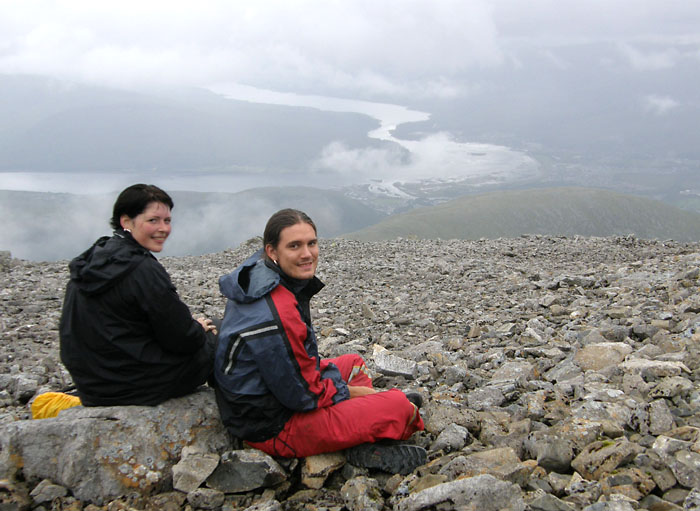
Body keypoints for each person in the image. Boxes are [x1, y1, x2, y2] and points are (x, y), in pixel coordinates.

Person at [214, 208, 426, 474]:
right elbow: (302, 395)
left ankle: (358, 427)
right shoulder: (276, 309)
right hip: (273, 426)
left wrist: (343, 388)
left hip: (270, 399)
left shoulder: (263, 278)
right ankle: (367, 437)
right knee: (399, 407)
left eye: (311, 243)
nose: (307, 254)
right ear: (272, 251)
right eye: (294, 246)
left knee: (354, 363)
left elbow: (296, 373)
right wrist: (356, 392)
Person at [59, 183, 218, 407]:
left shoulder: (93, 260)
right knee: (220, 332)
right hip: (134, 386)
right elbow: (183, 339)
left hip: (92, 386)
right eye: (153, 220)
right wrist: (199, 330)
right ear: (126, 222)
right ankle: (233, 416)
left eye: (167, 220)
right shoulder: (141, 269)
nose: (163, 228)